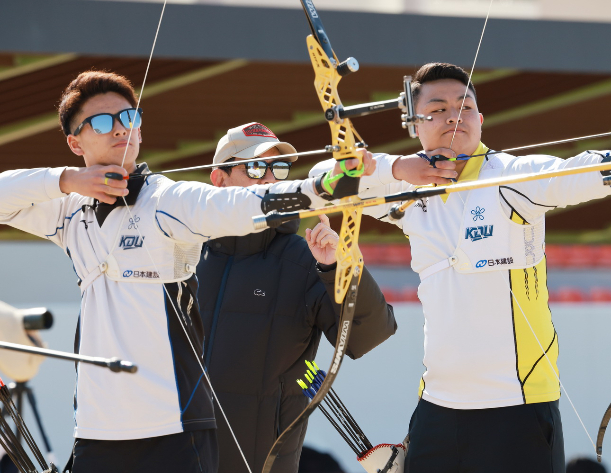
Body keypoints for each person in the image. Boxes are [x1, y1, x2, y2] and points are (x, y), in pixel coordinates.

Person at [310, 62, 611, 473]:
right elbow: (321, 178)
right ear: (414, 123)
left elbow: (580, 170)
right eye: (438, 107)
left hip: (518, 409)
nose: (453, 115)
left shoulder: (509, 179)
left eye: (465, 107)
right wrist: (398, 168)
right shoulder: (406, 189)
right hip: (438, 409)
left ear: (480, 121)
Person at [0, 70, 372, 473]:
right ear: (75, 142)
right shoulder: (67, 210)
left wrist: (321, 185)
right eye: (103, 122)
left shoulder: (166, 199)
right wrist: (68, 180)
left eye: (129, 117)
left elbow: (237, 205)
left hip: (174, 431)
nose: (121, 129)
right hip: (95, 430)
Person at [197, 123, 397, 473]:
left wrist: (339, 266)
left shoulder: (306, 258)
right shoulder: (182, 254)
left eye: (280, 168)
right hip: (177, 454)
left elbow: (369, 336)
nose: (270, 178)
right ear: (219, 179)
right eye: (256, 167)